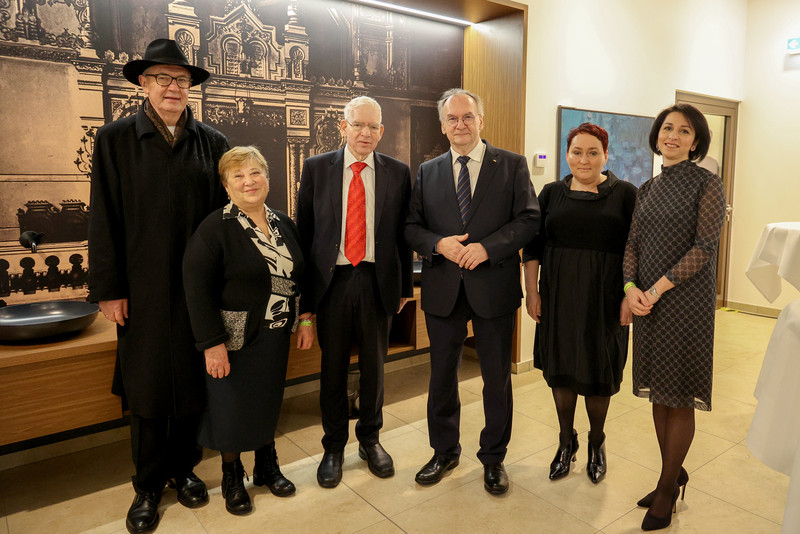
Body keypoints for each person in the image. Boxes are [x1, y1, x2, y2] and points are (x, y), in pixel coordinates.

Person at [88, 38, 230, 534]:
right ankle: (148, 483)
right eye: (163, 78)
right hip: (142, 289)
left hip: (198, 291)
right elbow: (103, 218)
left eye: (182, 80)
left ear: (190, 88)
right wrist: (109, 288)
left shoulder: (213, 144)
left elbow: (225, 222)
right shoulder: (116, 140)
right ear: (144, 84)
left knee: (193, 381)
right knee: (147, 386)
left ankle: (185, 469)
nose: (173, 87)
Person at [405, 88, 540, 495]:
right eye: (452, 119)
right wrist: (437, 244)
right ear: (442, 125)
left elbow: (529, 219)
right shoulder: (428, 171)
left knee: (496, 379)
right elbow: (411, 226)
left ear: (481, 120)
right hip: (443, 289)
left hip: (493, 287)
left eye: (467, 117)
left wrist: (488, 248)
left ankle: (494, 458)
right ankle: (444, 452)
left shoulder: (511, 165)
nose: (460, 125)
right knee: (441, 377)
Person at [182, 146, 314, 515]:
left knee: (267, 400)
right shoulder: (214, 228)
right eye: (238, 176)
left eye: (255, 172)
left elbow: (300, 276)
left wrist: (305, 318)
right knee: (230, 407)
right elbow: (196, 288)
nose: (248, 181)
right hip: (233, 337)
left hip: (275, 332)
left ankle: (267, 466)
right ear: (226, 185)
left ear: (267, 178)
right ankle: (231, 475)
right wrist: (211, 344)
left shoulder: (283, 224)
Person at [296, 96, 413, 488]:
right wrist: (306, 305)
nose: (366, 133)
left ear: (382, 131)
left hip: (377, 280)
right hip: (333, 283)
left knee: (375, 368)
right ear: (343, 127)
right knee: (333, 370)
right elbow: (306, 235)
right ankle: (333, 446)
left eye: (374, 127)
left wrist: (402, 288)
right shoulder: (316, 169)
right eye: (358, 125)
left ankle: (371, 439)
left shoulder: (398, 172)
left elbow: (402, 236)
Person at [623, 104, 725, 531]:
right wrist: (630, 291)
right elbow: (631, 245)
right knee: (659, 394)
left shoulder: (708, 185)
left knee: (680, 395)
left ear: (696, 141)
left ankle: (666, 490)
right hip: (646, 304)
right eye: (668, 128)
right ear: (657, 134)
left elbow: (704, 247)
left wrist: (657, 287)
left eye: (684, 131)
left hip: (685, 305)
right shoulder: (646, 188)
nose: (673, 136)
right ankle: (672, 471)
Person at [522, 123, 636, 484]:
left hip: (605, 297)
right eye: (576, 152)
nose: (583, 159)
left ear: (605, 155)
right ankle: (565, 441)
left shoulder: (626, 194)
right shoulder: (551, 193)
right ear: (566, 154)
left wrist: (629, 297)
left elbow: (637, 251)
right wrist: (532, 291)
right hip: (558, 295)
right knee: (562, 369)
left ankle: (596, 442)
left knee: (599, 372)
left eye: (592, 152)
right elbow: (534, 247)